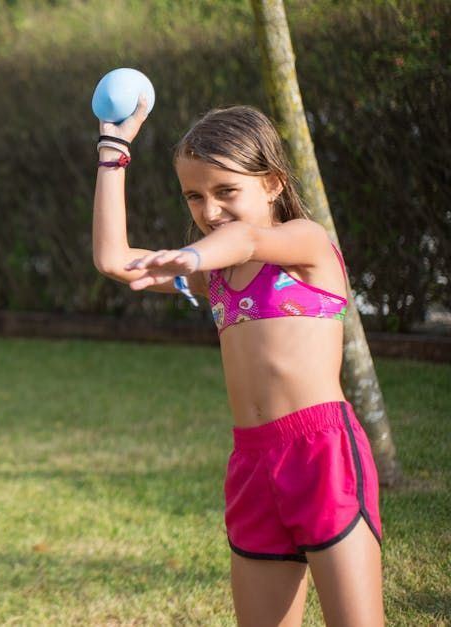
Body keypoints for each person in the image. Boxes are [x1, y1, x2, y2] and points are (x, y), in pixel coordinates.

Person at [91, 101, 383, 626]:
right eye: (195, 196)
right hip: (252, 463)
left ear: (272, 183)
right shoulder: (216, 274)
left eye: (226, 191)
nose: (209, 211)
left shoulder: (306, 244)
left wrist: (195, 257)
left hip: (322, 452)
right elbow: (113, 260)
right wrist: (113, 150)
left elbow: (248, 238)